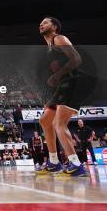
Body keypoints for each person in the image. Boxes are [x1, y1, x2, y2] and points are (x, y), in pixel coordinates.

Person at [36, 17, 87, 176]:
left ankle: (76, 164)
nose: (41, 24)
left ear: (55, 26)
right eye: (41, 23)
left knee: (59, 123)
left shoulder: (59, 38)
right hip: (63, 86)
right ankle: (53, 162)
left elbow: (77, 59)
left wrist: (58, 74)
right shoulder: (50, 46)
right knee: (45, 120)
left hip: (74, 84)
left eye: (45, 22)